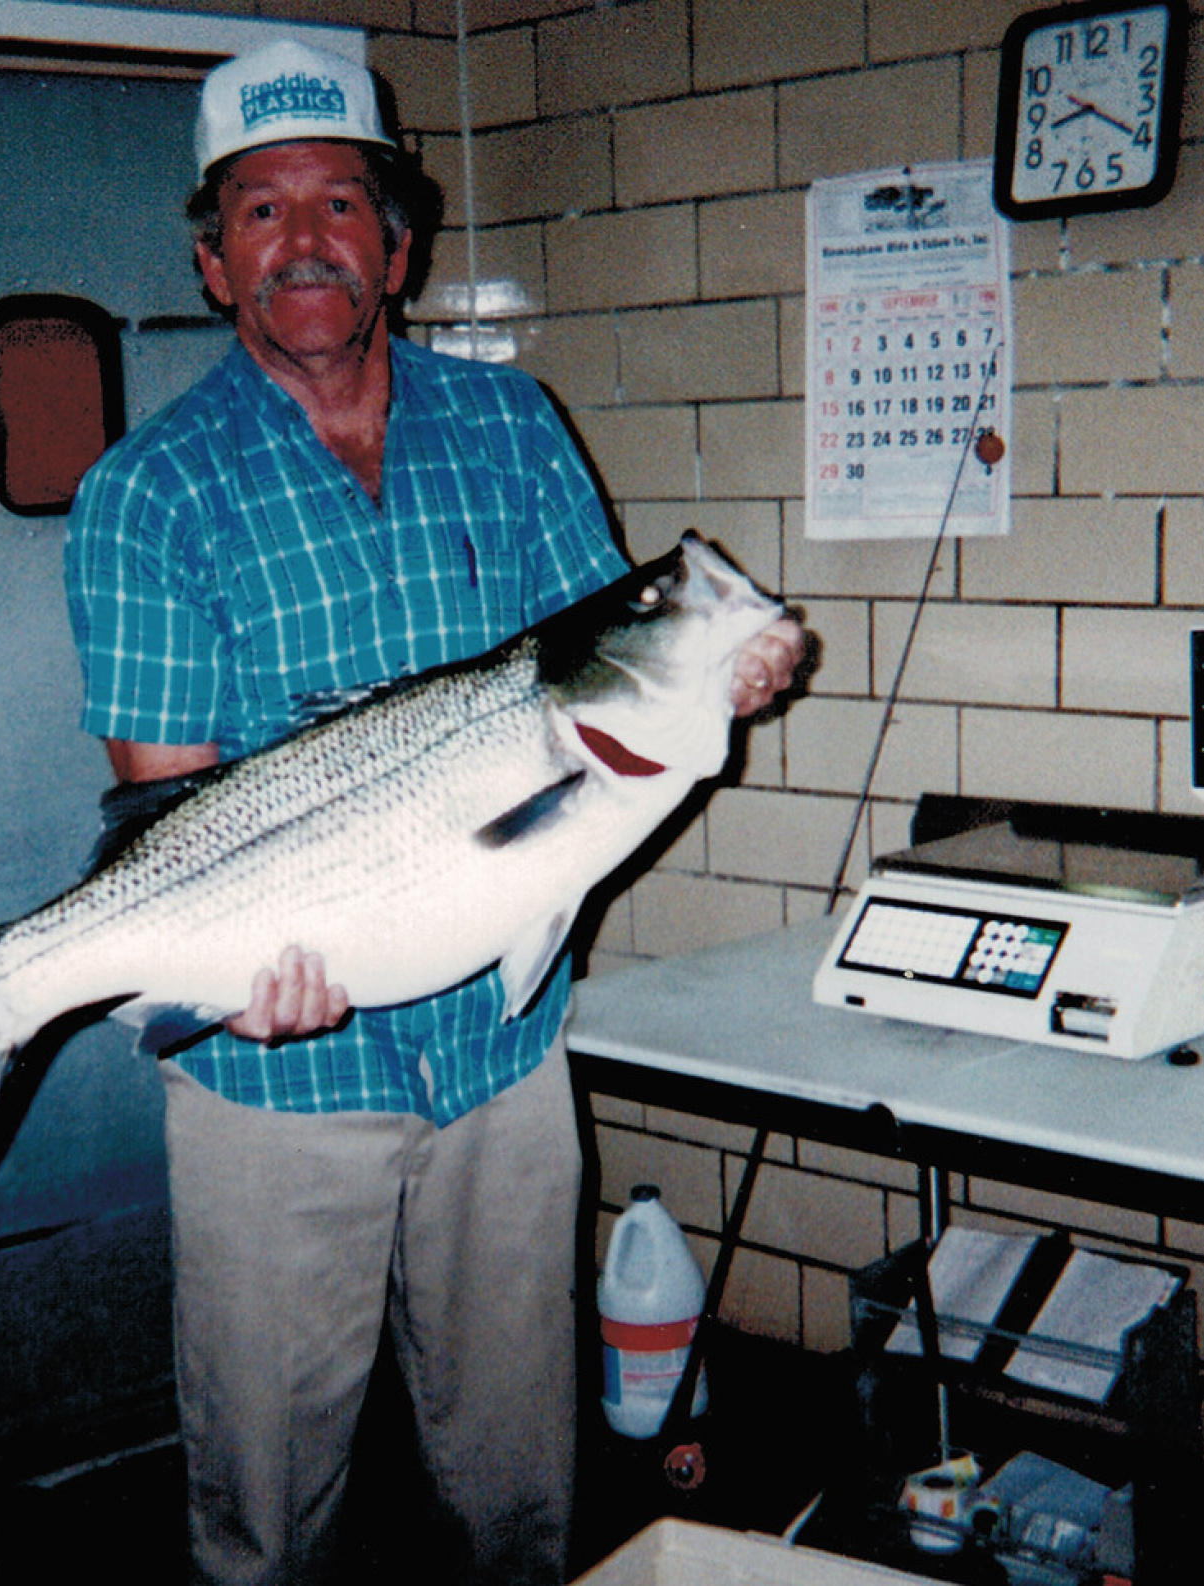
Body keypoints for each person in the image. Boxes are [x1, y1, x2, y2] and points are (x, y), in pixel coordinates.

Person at [64, 38, 803, 1586]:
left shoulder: (512, 426)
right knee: (265, 1516)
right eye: (260, 212)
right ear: (212, 263)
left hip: (504, 1072)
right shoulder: (148, 488)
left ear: (401, 243)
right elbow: (166, 809)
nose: (306, 240)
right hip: (278, 1085)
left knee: (517, 1495)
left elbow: (597, 678)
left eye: (342, 199)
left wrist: (713, 675)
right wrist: (222, 979)